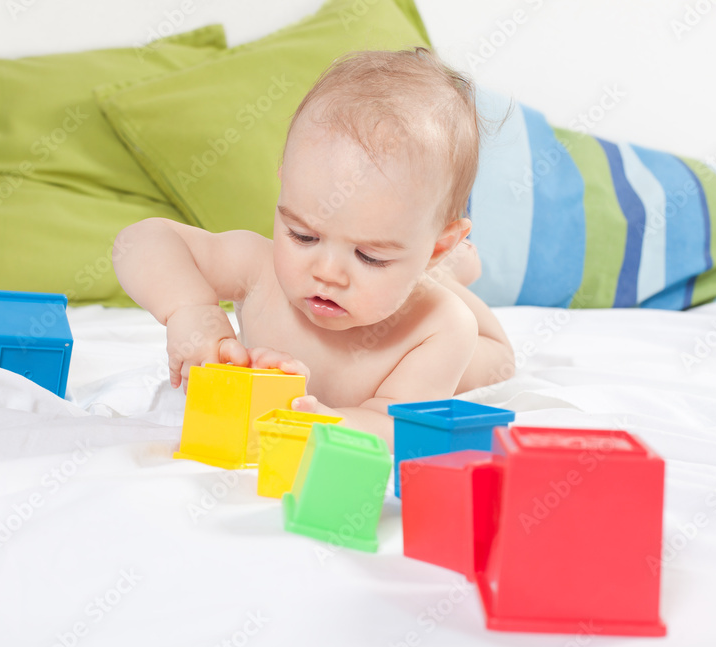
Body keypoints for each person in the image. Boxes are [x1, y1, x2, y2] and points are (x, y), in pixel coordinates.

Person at [114, 47, 513, 448]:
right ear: (285, 185)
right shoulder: (258, 269)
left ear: (438, 245)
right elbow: (138, 242)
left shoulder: (440, 326)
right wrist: (189, 310)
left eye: (370, 256)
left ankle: (447, 272)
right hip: (416, 265)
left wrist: (325, 422)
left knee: (497, 358)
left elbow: (394, 425)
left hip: (443, 321)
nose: (326, 272)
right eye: (304, 236)